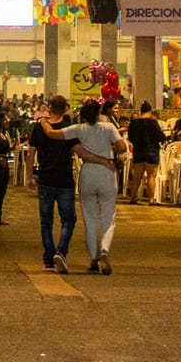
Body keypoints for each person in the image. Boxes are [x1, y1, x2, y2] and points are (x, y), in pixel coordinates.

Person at [39, 100, 125, 273]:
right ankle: (105, 250)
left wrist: (43, 121)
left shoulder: (78, 129)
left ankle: (93, 260)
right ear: (99, 112)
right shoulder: (108, 128)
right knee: (108, 217)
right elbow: (122, 147)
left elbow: (52, 134)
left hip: (87, 174)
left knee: (90, 218)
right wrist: (112, 148)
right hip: (107, 173)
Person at [29, 96, 78, 273]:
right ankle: (61, 251)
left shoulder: (39, 127)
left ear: (49, 107)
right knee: (69, 220)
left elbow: (31, 152)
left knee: (46, 222)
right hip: (64, 179)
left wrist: (29, 176)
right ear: (65, 108)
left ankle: (49, 258)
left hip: (45, 179)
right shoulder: (69, 128)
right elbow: (77, 150)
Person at [126, 101, 165, 204]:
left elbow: (130, 137)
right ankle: (151, 199)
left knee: (137, 176)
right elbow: (161, 137)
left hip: (138, 152)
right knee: (151, 175)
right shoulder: (153, 123)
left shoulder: (134, 123)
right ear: (150, 111)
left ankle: (133, 197)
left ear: (140, 111)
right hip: (151, 152)